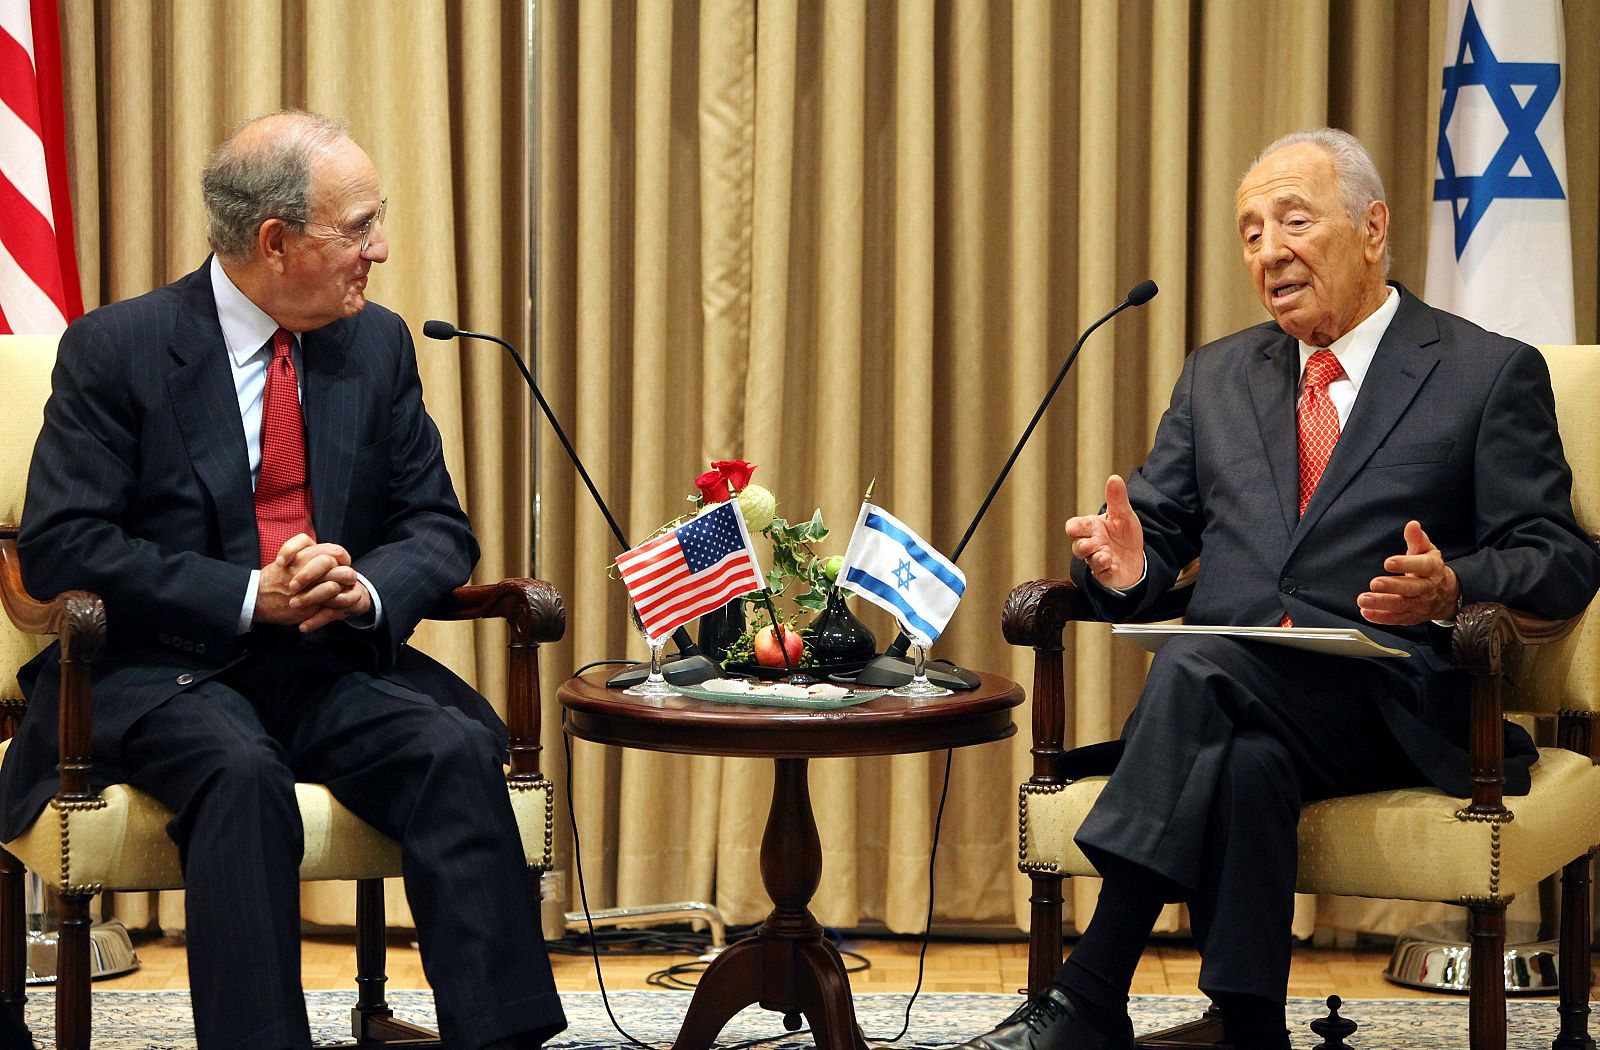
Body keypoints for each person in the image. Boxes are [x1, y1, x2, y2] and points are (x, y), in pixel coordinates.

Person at [958, 127, 1600, 1050]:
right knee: (1241, 753)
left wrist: (1456, 582)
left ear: (1373, 228)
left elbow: (1560, 555)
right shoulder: (1218, 375)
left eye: (1294, 220)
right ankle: (1251, 1027)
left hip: (1394, 703)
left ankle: (1092, 990)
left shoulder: (1484, 372)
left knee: (1200, 669)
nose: (1269, 250)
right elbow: (1153, 541)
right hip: (1241, 708)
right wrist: (1124, 562)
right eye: (1251, 231)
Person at [0, 111, 565, 1050]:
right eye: (359, 227)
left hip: (325, 661)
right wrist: (243, 593)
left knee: (452, 748)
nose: (378, 251)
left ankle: (501, 1038)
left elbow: (436, 525)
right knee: (241, 773)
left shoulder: (375, 346)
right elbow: (63, 547)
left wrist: (368, 590)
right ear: (276, 241)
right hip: (162, 667)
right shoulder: (119, 349)